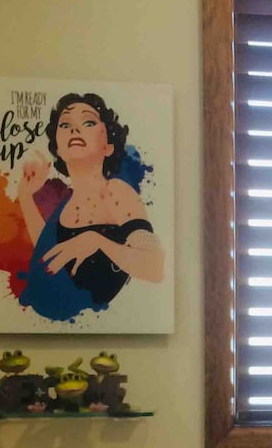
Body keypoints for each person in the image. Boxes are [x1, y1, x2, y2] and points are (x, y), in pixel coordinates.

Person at [16, 93, 163, 319]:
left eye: (88, 122)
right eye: (65, 124)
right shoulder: (66, 205)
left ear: (108, 147)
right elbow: (47, 253)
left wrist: (97, 241)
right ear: (58, 149)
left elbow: (154, 268)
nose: (75, 129)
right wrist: (25, 196)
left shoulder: (115, 191)